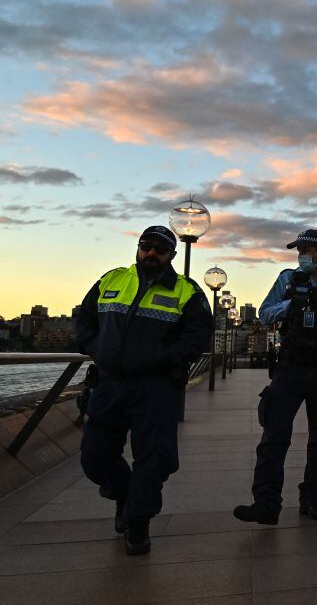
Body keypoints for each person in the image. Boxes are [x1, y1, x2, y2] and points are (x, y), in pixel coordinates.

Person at [75, 225, 212, 555]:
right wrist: (98, 349)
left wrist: (162, 360)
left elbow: (198, 336)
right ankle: (126, 495)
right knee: (95, 457)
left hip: (155, 388)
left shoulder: (186, 290)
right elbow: (84, 318)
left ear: (172, 255)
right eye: (146, 246)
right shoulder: (112, 279)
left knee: (154, 459)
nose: (151, 253)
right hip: (109, 383)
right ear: (138, 248)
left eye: (160, 249)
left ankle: (138, 522)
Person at [234, 229, 317, 525]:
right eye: (298, 251)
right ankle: (266, 504)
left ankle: (312, 497)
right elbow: (265, 313)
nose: (300, 256)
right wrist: (291, 305)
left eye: (305, 250)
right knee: (273, 434)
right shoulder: (288, 279)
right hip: (290, 367)